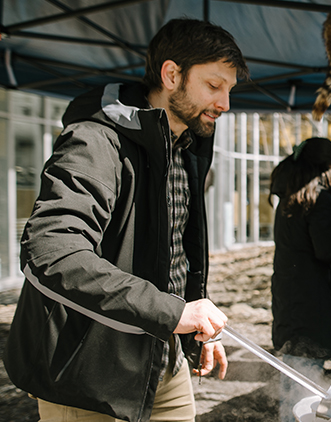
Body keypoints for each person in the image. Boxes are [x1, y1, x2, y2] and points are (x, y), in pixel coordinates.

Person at [3, 18, 249, 422]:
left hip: (164, 363)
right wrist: (172, 313)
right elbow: (51, 251)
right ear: (171, 75)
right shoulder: (95, 139)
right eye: (214, 85)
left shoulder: (185, 145)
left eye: (229, 89)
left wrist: (191, 321)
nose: (225, 103)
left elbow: (169, 255)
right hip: (87, 375)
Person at [268, 137, 331, 422]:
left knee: (294, 373)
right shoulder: (319, 196)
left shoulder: (289, 191)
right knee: (303, 381)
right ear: (328, 164)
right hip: (311, 297)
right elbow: (326, 249)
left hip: (289, 292)